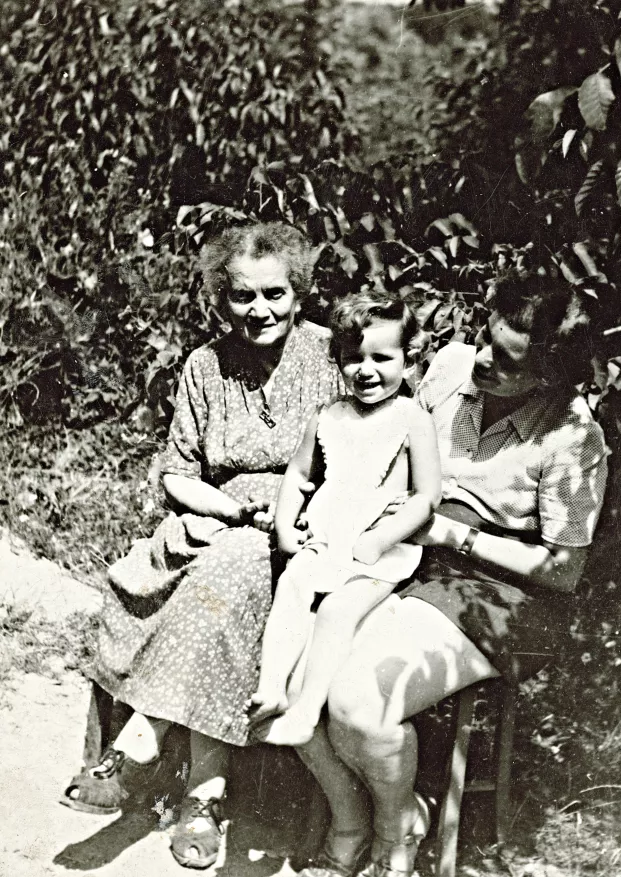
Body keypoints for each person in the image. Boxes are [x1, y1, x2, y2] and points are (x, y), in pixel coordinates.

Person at [289, 276, 609, 877]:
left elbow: (563, 572)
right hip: (400, 554)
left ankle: (395, 834)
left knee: (357, 703)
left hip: (500, 592)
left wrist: (453, 534)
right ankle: (355, 814)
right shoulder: (451, 368)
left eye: (507, 361)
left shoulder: (572, 435)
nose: (482, 360)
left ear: (549, 376)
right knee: (290, 679)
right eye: (486, 339)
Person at [59, 221, 342, 870]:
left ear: (298, 292)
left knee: (230, 572)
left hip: (303, 528)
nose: (260, 310)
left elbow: (367, 453)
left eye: (274, 293)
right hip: (219, 517)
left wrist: (290, 511)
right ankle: (202, 796)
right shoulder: (205, 366)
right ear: (222, 299)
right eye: (243, 296)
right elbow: (178, 474)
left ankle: (140, 750)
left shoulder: (330, 357)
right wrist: (230, 507)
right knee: (168, 576)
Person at [249, 292, 441, 747]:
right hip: (327, 539)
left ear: (408, 359)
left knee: (336, 611)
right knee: (293, 586)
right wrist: (284, 528)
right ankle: (273, 687)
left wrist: (381, 539)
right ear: (338, 359)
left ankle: (306, 708)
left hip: (380, 552)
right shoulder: (328, 415)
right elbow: (298, 474)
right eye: (354, 358)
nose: (366, 370)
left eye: (381, 357)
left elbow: (427, 495)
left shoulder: (411, 418)